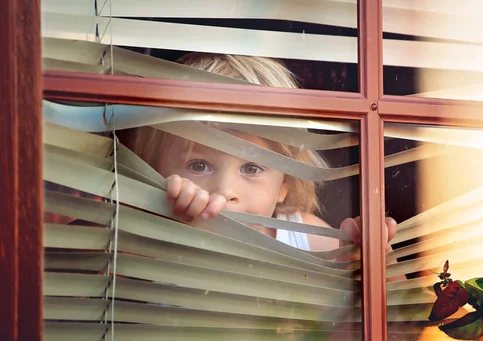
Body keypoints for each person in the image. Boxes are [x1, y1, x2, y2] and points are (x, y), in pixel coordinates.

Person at [128, 52, 397, 252]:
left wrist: (366, 258)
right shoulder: (153, 235)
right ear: (154, 168)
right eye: (198, 165)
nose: (225, 191)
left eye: (252, 168)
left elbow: (375, 312)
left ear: (286, 183)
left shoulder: (304, 237)